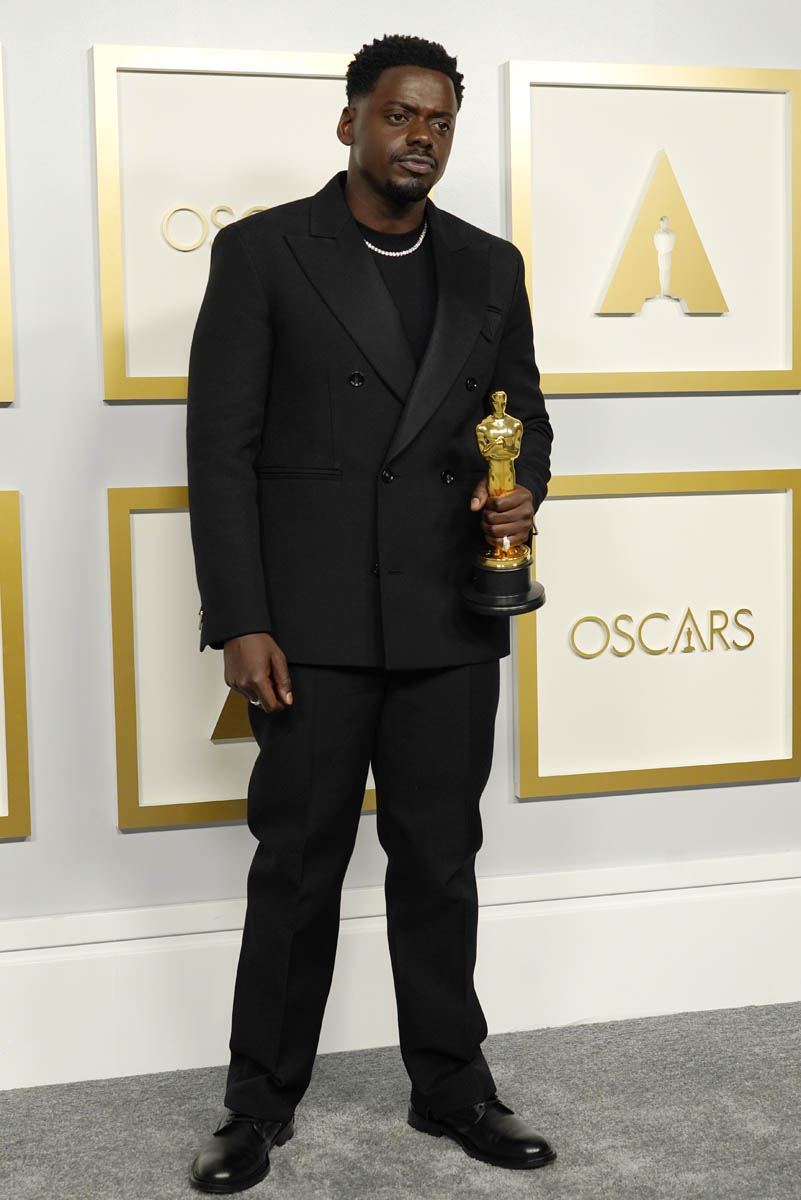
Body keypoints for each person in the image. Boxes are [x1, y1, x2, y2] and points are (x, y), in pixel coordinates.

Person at [185, 33, 555, 1194]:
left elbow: (524, 417)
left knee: (440, 861)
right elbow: (220, 448)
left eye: (440, 121)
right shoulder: (262, 255)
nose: (421, 138)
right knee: (297, 864)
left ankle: (453, 1087)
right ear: (348, 122)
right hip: (309, 623)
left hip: (449, 611)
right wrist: (241, 615)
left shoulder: (491, 267)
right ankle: (257, 1106)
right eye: (400, 116)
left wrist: (521, 485)